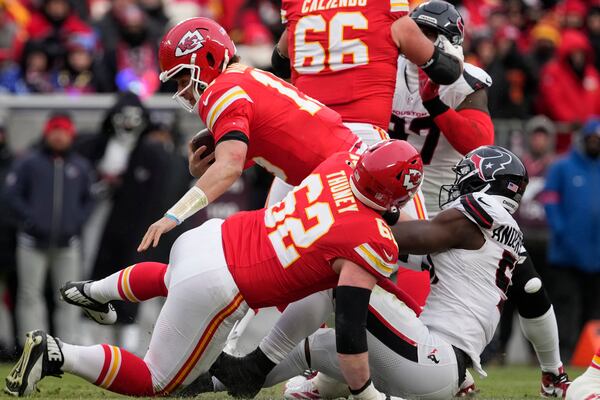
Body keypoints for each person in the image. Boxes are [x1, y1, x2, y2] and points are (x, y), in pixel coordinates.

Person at [6, 140, 423, 399]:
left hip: (212, 237)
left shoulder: (338, 164)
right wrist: (368, 396)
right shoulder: (371, 239)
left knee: (171, 277)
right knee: (158, 381)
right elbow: (349, 334)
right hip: (222, 285)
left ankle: (96, 291)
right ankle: (59, 354)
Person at [195, 145, 533, 400]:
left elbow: (405, 238)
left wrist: (347, 230)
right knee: (317, 345)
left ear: (486, 184)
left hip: (432, 358)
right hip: (441, 367)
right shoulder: (494, 241)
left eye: (466, 176)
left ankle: (352, 391)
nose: (458, 184)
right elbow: (405, 252)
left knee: (341, 275)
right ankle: (215, 379)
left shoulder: (480, 211)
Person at [137, 17, 364, 252]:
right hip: (342, 169)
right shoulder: (243, 77)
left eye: (184, 80)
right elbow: (255, 148)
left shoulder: (220, 92)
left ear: (209, 61)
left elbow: (229, 167)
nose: (182, 92)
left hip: (344, 177)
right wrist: (203, 166)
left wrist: (174, 215)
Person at [4, 113, 95, 345]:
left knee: (68, 296)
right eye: (54, 131)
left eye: (63, 131)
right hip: (32, 242)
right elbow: (12, 195)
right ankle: (35, 347)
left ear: (70, 135)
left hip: (67, 244)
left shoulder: (80, 166)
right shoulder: (29, 163)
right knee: (29, 295)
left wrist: (76, 222)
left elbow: (89, 199)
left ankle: (68, 348)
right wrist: (29, 220)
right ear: (47, 133)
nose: (58, 136)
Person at [543, 118, 600, 362]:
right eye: (592, 139)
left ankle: (591, 355)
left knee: (594, 309)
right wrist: (563, 233)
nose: (595, 144)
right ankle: (564, 354)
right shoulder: (562, 167)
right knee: (565, 306)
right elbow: (550, 203)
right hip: (566, 254)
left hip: (596, 254)